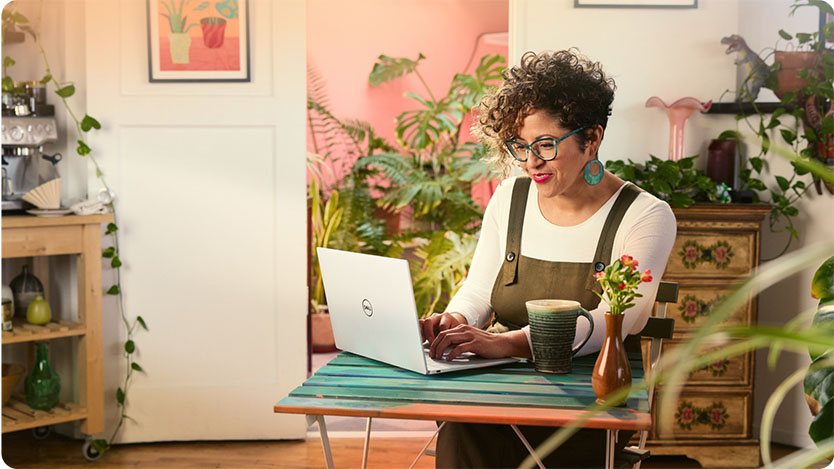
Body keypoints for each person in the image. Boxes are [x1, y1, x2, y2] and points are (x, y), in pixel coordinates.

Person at [418, 49, 677, 468]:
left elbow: (615, 320)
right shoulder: (509, 198)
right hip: (500, 386)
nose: (530, 162)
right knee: (462, 421)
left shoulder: (644, 215)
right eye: (521, 146)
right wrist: (458, 321)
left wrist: (506, 343)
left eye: (545, 144)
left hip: (589, 400)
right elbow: (480, 289)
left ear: (591, 138)